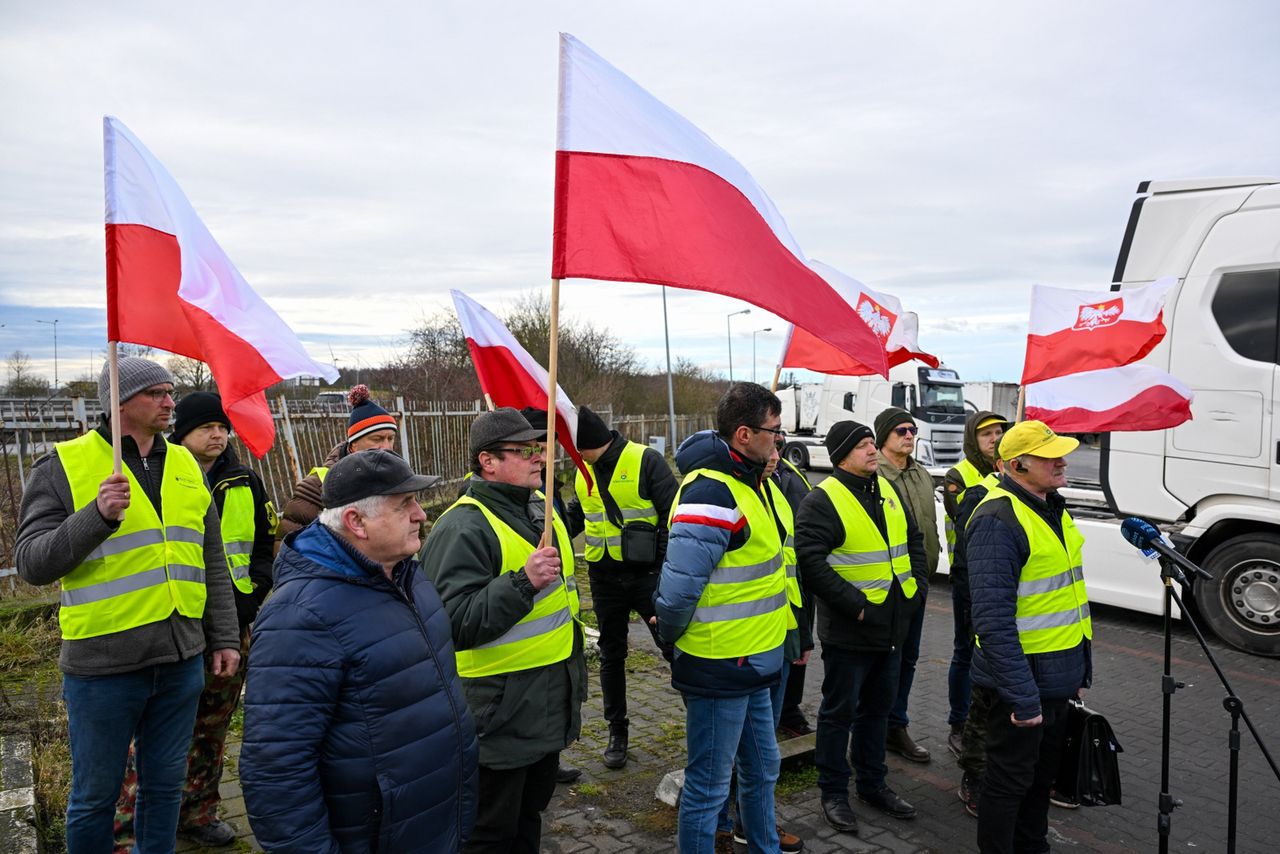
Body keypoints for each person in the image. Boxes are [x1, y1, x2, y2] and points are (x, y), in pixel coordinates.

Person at [15, 357, 240, 853]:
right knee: (95, 798)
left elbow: (211, 559)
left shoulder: (184, 463)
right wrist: (95, 515)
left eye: (170, 391)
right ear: (118, 402)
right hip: (104, 667)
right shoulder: (63, 465)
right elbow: (31, 564)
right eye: (156, 393)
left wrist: (223, 637)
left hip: (181, 662)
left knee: (163, 790)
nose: (169, 402)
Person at [240, 449, 477, 852]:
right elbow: (276, 769)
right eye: (405, 505)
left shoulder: (408, 575)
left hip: (432, 823)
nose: (421, 514)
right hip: (374, 836)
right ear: (356, 522)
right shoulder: (299, 617)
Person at [114, 392, 278, 849]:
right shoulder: (159, 478)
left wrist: (250, 598)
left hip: (232, 630)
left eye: (223, 427)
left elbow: (265, 546)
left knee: (212, 730)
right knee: (152, 737)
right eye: (207, 426)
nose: (218, 434)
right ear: (181, 433)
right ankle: (127, 827)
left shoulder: (245, 480)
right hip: (174, 631)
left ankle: (198, 811)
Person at [420, 408, 587, 854]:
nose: (539, 458)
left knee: (528, 819)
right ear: (487, 461)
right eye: (524, 450)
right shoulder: (462, 527)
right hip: (497, 717)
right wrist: (522, 583)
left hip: (545, 705)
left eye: (539, 448)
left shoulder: (540, 508)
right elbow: (451, 624)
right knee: (489, 833)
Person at [654, 382, 790, 854]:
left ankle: (764, 847)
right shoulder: (712, 492)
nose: (780, 440)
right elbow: (674, 596)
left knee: (762, 769)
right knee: (709, 788)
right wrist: (673, 641)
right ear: (745, 434)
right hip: (719, 664)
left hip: (754, 662)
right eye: (775, 431)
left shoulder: (750, 483)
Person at [967, 421, 1093, 854]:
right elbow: (992, 619)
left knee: (1040, 783)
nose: (1062, 460)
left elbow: (1069, 597)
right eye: (1049, 454)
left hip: (1055, 679)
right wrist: (1022, 696)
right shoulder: (997, 519)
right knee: (1007, 786)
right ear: (1018, 465)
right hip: (1021, 687)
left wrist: (1079, 670)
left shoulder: (1051, 506)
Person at [797, 420, 925, 835]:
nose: (872, 450)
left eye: (872, 442)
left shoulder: (886, 489)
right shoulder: (823, 500)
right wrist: (858, 609)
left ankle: (873, 784)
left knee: (877, 712)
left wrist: (916, 593)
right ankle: (833, 792)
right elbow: (812, 564)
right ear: (841, 455)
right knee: (839, 714)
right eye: (863, 445)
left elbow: (914, 541)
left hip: (892, 628)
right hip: (852, 632)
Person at [565, 405, 677, 770]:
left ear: (588, 444)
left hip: (647, 578)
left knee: (673, 648)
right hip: (604, 578)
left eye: (573, 445)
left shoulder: (646, 460)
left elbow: (673, 515)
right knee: (612, 655)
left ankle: (703, 719)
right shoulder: (583, 472)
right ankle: (617, 731)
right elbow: (578, 515)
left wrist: (659, 563)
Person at [874, 406, 940, 764]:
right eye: (901, 430)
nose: (909, 435)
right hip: (889, 587)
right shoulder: (875, 477)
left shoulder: (921, 474)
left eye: (912, 429)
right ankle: (875, 724)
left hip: (920, 582)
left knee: (909, 659)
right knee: (887, 659)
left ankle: (895, 725)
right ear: (884, 436)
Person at [942, 412, 1007, 756]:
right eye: (987, 434)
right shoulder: (958, 476)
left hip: (1000, 578)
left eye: (999, 432)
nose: (995, 438)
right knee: (965, 651)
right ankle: (958, 722)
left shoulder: (1008, 469)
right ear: (972, 439)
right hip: (968, 576)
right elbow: (973, 516)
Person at [276, 384, 399, 538]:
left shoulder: (397, 476)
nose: (386, 447)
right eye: (377, 439)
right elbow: (288, 546)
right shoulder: (318, 487)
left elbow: (414, 534)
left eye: (391, 438)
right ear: (353, 445)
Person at [774, 450, 816, 739]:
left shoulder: (791, 472)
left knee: (799, 649)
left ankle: (789, 709)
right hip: (766, 583)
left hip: (798, 578)